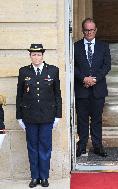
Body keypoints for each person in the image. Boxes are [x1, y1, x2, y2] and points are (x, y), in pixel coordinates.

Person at [16, 44, 62, 188]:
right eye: (33, 55)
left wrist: (58, 116)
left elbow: (57, 95)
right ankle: (35, 177)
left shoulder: (53, 70)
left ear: (43, 55)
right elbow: (19, 95)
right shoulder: (24, 71)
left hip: (47, 116)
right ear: (30, 56)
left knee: (45, 147)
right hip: (29, 116)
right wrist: (19, 116)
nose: (36, 57)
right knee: (32, 147)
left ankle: (44, 177)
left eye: (38, 54)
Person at [74, 18, 111, 157]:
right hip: (81, 89)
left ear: (96, 30)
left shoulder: (103, 46)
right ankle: (81, 146)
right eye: (86, 30)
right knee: (82, 119)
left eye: (91, 30)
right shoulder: (75, 47)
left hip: (98, 89)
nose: (89, 32)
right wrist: (84, 78)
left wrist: (94, 79)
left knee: (96, 119)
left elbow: (107, 65)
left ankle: (97, 146)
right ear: (82, 30)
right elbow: (73, 66)